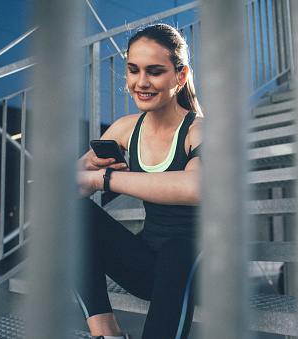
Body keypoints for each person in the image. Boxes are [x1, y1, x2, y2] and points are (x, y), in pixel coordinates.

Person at [76, 23, 203, 339]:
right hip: (149, 267)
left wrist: (105, 179)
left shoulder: (197, 130)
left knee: (178, 251)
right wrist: (83, 167)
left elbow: (195, 188)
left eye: (155, 71)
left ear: (180, 75)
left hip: (202, 271)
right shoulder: (125, 128)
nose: (141, 82)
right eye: (133, 70)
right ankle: (106, 335)